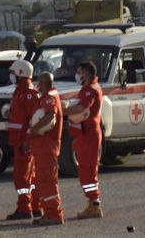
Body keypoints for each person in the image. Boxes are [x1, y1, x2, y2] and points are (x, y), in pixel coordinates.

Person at [66, 61, 103, 219]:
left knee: (87, 170)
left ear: (86, 74)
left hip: (88, 135)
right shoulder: (90, 88)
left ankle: (94, 205)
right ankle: (92, 203)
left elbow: (82, 108)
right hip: (85, 134)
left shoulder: (89, 90)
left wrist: (62, 111)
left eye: (79, 72)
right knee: (86, 170)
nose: (77, 75)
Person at [28, 72, 64, 226]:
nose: (38, 85)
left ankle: (54, 214)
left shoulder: (49, 97)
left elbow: (50, 116)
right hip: (42, 147)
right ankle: (49, 213)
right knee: (43, 181)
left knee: (48, 181)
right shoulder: (46, 97)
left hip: (47, 147)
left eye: (41, 83)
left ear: (48, 84)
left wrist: (34, 129)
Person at [6, 59, 39, 221]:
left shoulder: (28, 93)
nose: (11, 75)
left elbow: (33, 120)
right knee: (29, 176)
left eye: (13, 73)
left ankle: (24, 208)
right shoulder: (20, 91)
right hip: (19, 140)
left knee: (22, 177)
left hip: (23, 142)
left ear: (20, 73)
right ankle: (34, 205)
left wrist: (27, 140)